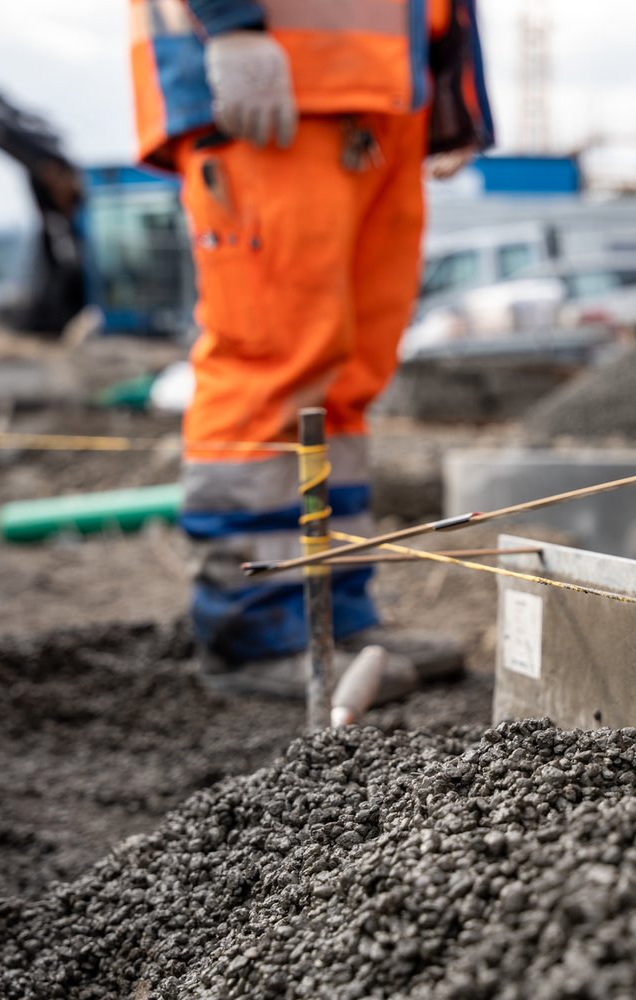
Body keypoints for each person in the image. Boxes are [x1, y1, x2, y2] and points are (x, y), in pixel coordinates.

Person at [129, 0, 494, 695]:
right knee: (272, 364)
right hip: (271, 84)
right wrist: (228, 22)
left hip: (383, 96)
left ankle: (337, 617)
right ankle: (254, 629)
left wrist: (454, 86)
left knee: (347, 375)